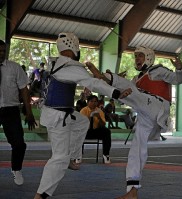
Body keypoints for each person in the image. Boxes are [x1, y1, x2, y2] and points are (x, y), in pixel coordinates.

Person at [34, 32, 130, 199]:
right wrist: (116, 93)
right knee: (59, 158)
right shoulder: (71, 67)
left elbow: (89, 79)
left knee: (82, 122)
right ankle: (41, 195)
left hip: (55, 113)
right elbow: (93, 83)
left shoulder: (54, 63)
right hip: (59, 117)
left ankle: (73, 157)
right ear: (73, 47)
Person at [85, 45, 182, 199]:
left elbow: (178, 78)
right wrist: (118, 92)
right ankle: (132, 191)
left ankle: (104, 77)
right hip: (146, 116)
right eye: (135, 56)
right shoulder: (137, 80)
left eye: (140, 56)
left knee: (129, 88)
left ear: (148, 57)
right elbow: (125, 97)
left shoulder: (157, 71)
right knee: (136, 151)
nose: (137, 59)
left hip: (157, 106)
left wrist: (180, 68)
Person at [0, 40, 37, 185]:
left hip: (11, 110)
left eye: (4, 51)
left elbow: (24, 90)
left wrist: (29, 112)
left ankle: (16, 169)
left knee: (19, 144)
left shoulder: (14, 68)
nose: (2, 54)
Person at [80, 95, 112, 164]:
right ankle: (78, 155)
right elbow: (81, 125)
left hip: (96, 131)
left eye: (95, 101)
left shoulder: (99, 111)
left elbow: (103, 125)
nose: (94, 103)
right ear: (88, 102)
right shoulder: (83, 110)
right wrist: (89, 117)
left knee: (106, 131)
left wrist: (99, 118)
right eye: (91, 101)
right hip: (85, 131)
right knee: (77, 133)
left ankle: (106, 154)